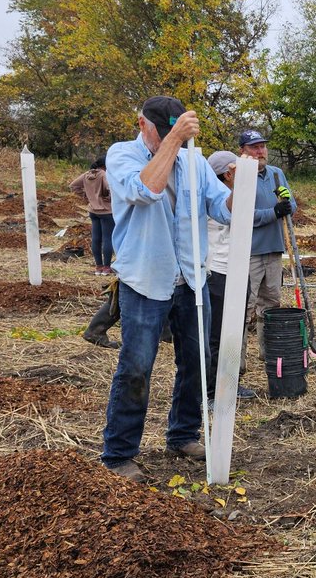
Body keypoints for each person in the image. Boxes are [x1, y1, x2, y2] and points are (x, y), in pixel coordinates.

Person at [100, 96, 242, 483]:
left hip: (192, 276)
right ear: (141, 123)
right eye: (162, 132)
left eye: (174, 134)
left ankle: (182, 435)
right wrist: (174, 139)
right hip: (146, 278)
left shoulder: (194, 159)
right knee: (136, 367)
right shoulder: (122, 155)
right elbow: (147, 189)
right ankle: (118, 453)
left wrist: (242, 185)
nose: (169, 140)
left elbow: (221, 208)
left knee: (197, 362)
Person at [237, 129, 295, 363]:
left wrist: (287, 203)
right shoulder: (238, 175)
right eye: (254, 147)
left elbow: (292, 207)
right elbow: (239, 214)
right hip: (248, 251)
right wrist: (272, 213)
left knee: (271, 304)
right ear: (243, 151)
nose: (260, 151)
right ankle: (237, 361)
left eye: (262, 146)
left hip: (274, 249)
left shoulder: (277, 174)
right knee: (244, 307)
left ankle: (267, 352)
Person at [205, 150, 256, 401]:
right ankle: (213, 392)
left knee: (234, 332)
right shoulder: (217, 196)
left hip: (236, 270)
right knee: (217, 335)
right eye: (236, 169)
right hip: (218, 273)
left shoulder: (230, 193)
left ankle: (230, 385)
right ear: (228, 173)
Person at [70, 155, 114, 275]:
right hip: (106, 211)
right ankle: (107, 268)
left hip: (93, 211)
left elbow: (73, 186)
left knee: (96, 239)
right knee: (108, 239)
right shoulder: (104, 174)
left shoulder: (87, 174)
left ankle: (98, 267)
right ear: (105, 165)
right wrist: (109, 198)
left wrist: (87, 197)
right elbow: (109, 188)